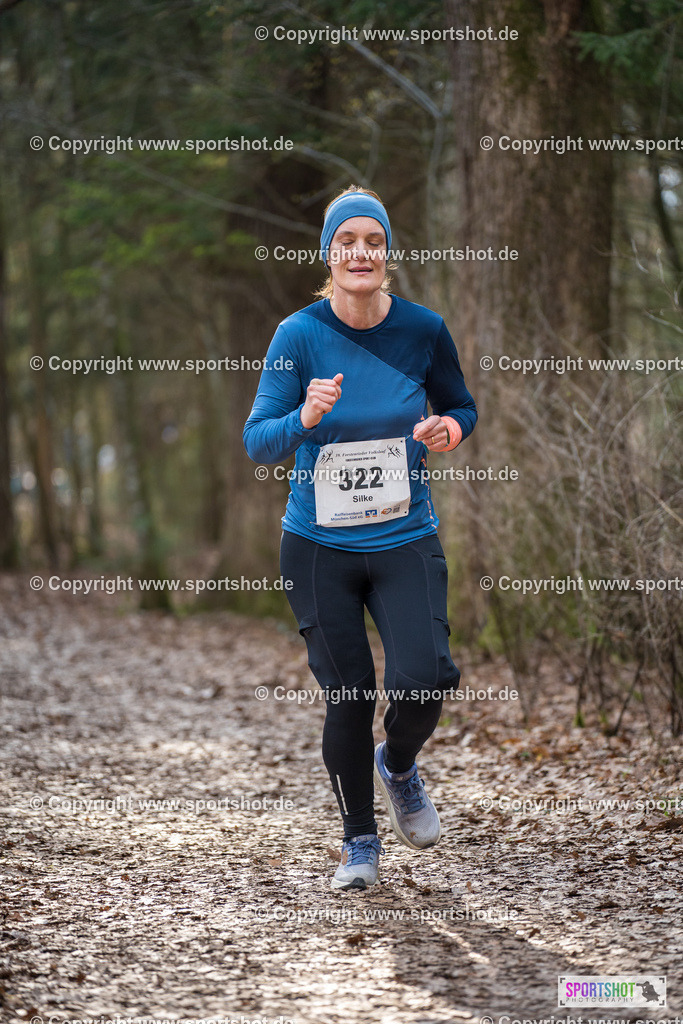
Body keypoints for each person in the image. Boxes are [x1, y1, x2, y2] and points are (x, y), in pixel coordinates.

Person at [243, 186, 477, 890]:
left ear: (387, 254)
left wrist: (449, 430)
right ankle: (359, 844)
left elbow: (459, 402)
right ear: (328, 254)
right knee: (346, 696)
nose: (360, 253)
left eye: (372, 242)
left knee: (428, 676)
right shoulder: (297, 336)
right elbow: (259, 442)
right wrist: (305, 418)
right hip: (318, 546)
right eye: (346, 241)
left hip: (404, 536)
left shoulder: (423, 330)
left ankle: (398, 766)